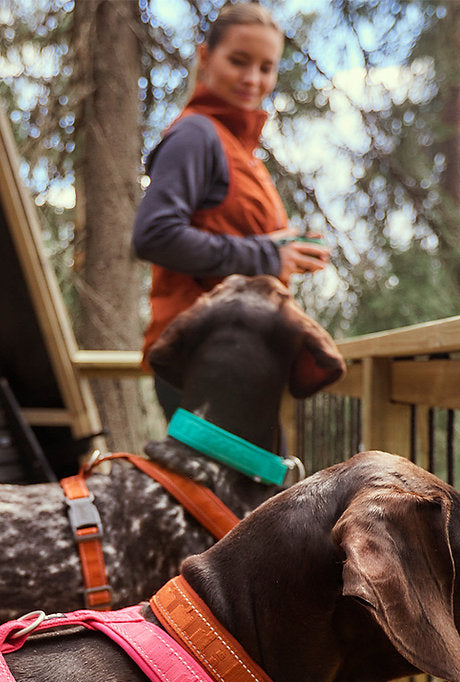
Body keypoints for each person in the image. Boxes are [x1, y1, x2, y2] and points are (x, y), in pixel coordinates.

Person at [132, 1, 331, 417]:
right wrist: (267, 254)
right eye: (239, 61)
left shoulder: (241, 151)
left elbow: (235, 236)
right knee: (216, 485)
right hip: (202, 358)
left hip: (237, 356)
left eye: (266, 67)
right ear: (206, 57)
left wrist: (285, 250)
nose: (252, 79)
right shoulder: (194, 134)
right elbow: (155, 235)